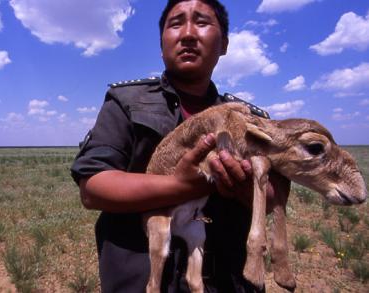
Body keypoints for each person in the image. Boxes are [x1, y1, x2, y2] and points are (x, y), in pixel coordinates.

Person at [71, 0, 286, 292]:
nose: (187, 34)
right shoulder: (126, 101)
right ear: (162, 45)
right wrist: (184, 185)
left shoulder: (249, 119)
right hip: (139, 281)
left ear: (223, 44)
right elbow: (93, 188)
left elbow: (274, 196)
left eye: (201, 22)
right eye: (175, 23)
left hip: (229, 282)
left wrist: (240, 186)